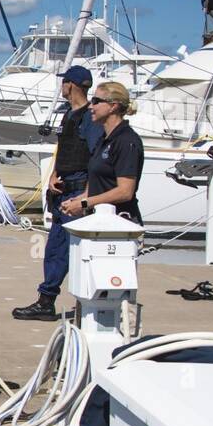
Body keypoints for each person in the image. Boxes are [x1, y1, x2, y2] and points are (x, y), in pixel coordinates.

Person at [13, 66, 104, 320]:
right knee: (56, 248)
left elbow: (95, 157)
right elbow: (63, 150)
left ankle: (83, 303)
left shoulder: (90, 117)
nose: (61, 87)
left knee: (75, 251)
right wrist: (53, 174)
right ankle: (46, 300)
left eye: (63, 83)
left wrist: (86, 195)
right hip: (63, 189)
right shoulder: (68, 115)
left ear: (71, 85)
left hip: (77, 192)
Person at [60, 80, 143, 225]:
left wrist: (85, 203)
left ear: (113, 106)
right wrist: (79, 200)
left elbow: (125, 192)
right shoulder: (103, 139)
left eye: (96, 101)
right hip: (99, 222)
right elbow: (96, 182)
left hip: (120, 223)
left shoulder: (127, 141)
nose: (91, 106)